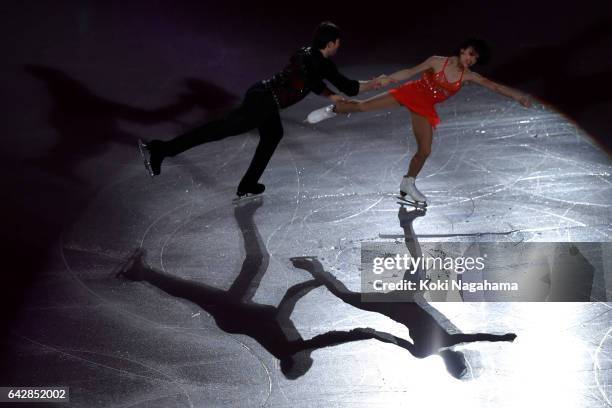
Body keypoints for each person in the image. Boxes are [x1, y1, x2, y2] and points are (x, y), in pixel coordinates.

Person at [139, 21, 383, 198]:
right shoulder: (324, 64)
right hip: (263, 103)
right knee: (216, 131)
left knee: (273, 135)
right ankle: (162, 150)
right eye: (338, 43)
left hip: (263, 95)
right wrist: (373, 83)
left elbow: (311, 81)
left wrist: (330, 94)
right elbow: (350, 88)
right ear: (330, 44)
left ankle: (248, 185)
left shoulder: (305, 53)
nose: (339, 46)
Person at [306, 38, 533, 206]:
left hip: (423, 107)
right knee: (363, 106)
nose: (470, 60)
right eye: (469, 54)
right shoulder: (437, 61)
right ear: (462, 49)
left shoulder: (469, 76)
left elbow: (494, 86)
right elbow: (410, 71)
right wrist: (389, 79)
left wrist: (518, 96)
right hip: (410, 93)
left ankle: (408, 182)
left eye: (475, 59)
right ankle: (332, 109)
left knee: (425, 150)